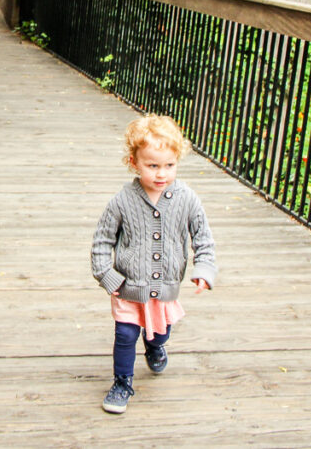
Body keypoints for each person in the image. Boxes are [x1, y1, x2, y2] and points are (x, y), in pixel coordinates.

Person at [90, 114, 217, 414]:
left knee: (160, 332)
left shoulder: (187, 199)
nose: (162, 173)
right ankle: (122, 382)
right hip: (127, 287)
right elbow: (101, 243)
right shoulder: (122, 201)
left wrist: (204, 270)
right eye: (153, 165)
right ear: (134, 163)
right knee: (125, 334)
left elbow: (203, 237)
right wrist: (108, 276)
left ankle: (156, 345)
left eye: (169, 165)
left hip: (165, 288)